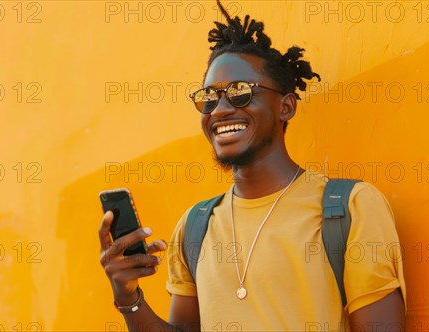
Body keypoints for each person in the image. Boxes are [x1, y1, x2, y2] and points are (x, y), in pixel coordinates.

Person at [99, 1, 406, 331]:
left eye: (240, 92)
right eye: (209, 97)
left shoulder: (349, 209)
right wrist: (128, 295)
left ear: (285, 106)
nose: (219, 109)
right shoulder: (194, 226)